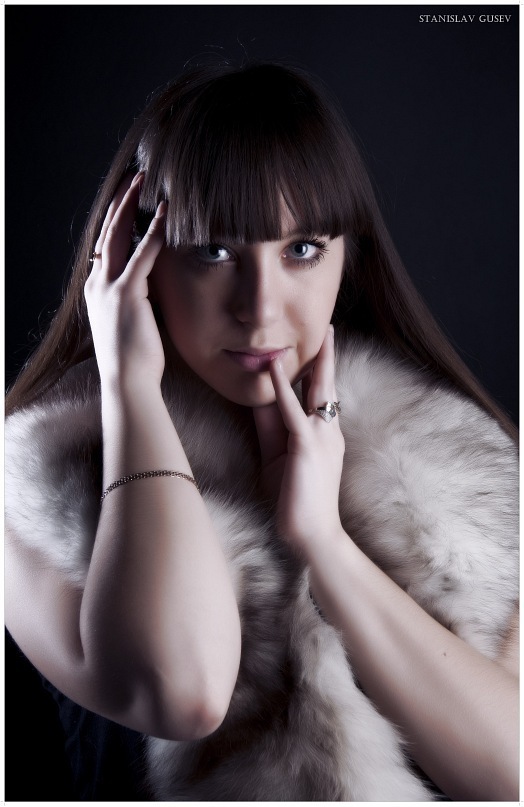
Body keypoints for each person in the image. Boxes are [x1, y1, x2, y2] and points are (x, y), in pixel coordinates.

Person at [5, 61, 518, 801]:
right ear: (136, 262)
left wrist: (324, 543)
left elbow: (511, 773)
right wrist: (130, 389)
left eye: (301, 249)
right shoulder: (38, 476)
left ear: (349, 255)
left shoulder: (449, 464)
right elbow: (184, 691)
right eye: (214, 251)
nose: (261, 308)